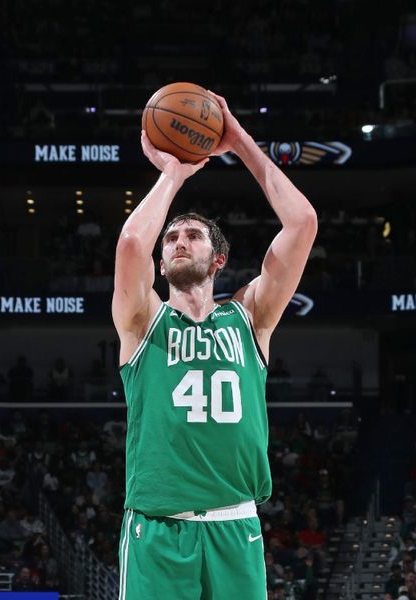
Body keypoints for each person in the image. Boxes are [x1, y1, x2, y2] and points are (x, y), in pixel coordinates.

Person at [112, 91, 317, 599]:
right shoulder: (143, 322)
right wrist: (174, 175)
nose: (178, 240)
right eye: (172, 237)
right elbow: (133, 243)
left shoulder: (249, 317)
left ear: (218, 260)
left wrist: (239, 142)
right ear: (162, 264)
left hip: (235, 524)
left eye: (193, 236)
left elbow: (303, 223)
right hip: (158, 527)